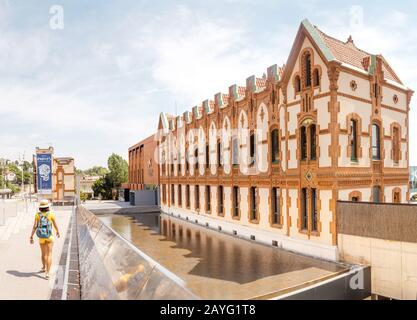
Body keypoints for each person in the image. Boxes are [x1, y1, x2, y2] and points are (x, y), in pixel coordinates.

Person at [29, 199, 60, 279]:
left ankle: (43, 267)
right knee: (49, 254)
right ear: (47, 207)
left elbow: (35, 226)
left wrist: (31, 236)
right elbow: (55, 224)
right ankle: (47, 274)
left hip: (41, 237)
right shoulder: (51, 214)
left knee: (43, 254)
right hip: (49, 236)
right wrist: (57, 232)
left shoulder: (37, 215)